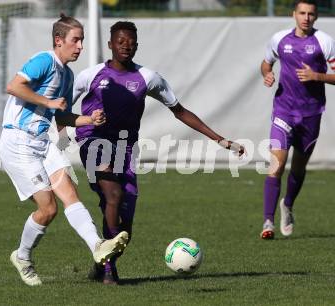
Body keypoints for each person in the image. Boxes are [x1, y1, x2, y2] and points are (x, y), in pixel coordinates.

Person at [73, 21, 245, 284]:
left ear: (137, 45)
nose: (125, 46)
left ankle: (102, 263)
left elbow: (180, 111)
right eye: (120, 41)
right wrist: (61, 133)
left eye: (130, 42)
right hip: (94, 142)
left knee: (126, 225)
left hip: (125, 148)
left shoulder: (147, 78)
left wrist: (220, 140)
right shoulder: (90, 75)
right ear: (110, 44)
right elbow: (62, 108)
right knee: (113, 195)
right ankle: (109, 271)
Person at [0, 14, 129, 287]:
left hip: (41, 143)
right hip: (18, 142)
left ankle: (97, 246)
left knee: (70, 193)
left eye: (81, 40)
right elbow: (13, 86)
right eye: (75, 40)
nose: (80, 46)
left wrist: (88, 119)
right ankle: (22, 257)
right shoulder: (44, 61)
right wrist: (48, 102)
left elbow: (63, 116)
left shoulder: (67, 75)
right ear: (59, 41)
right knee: (48, 210)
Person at [260, 0, 335, 240]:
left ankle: (288, 205)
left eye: (311, 14)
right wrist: (267, 73)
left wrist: (317, 76)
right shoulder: (280, 39)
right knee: (277, 165)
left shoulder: (324, 42)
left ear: (316, 17)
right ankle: (268, 221)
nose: (306, 18)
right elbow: (266, 63)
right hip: (283, 111)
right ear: (294, 14)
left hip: (311, 114)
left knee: (299, 167)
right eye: (302, 13)